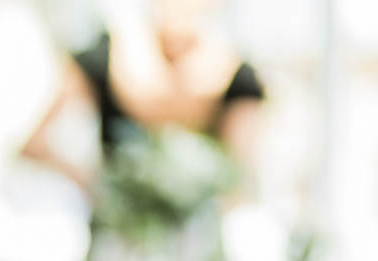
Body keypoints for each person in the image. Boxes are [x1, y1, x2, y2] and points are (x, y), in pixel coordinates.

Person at [21, 0, 264, 192]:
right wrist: (90, 181)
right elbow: (34, 144)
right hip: (119, 232)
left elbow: (239, 178)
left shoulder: (237, 77)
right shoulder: (107, 57)